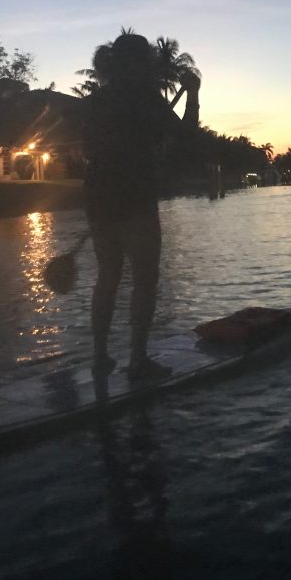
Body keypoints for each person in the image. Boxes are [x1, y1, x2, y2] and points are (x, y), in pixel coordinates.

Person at [82, 32, 201, 380]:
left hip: (98, 195)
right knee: (145, 280)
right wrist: (192, 93)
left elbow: (91, 149)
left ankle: (100, 356)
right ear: (139, 63)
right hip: (135, 196)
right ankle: (137, 359)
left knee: (107, 277)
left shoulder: (95, 101)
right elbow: (187, 138)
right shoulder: (146, 99)